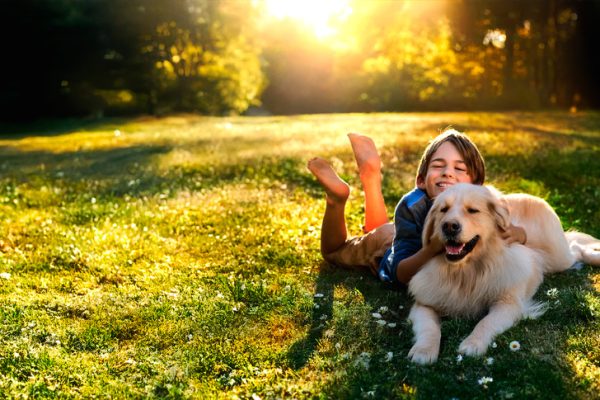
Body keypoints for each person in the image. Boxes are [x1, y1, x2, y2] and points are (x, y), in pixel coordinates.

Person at [307, 129, 527, 287]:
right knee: (335, 252)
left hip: (395, 232)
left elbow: (513, 234)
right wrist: (430, 249)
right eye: (439, 166)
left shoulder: (484, 205)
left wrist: (519, 233)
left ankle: (371, 175)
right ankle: (337, 199)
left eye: (459, 168)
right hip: (387, 247)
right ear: (421, 181)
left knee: (381, 228)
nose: (448, 173)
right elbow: (401, 274)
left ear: (477, 186)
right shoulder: (412, 207)